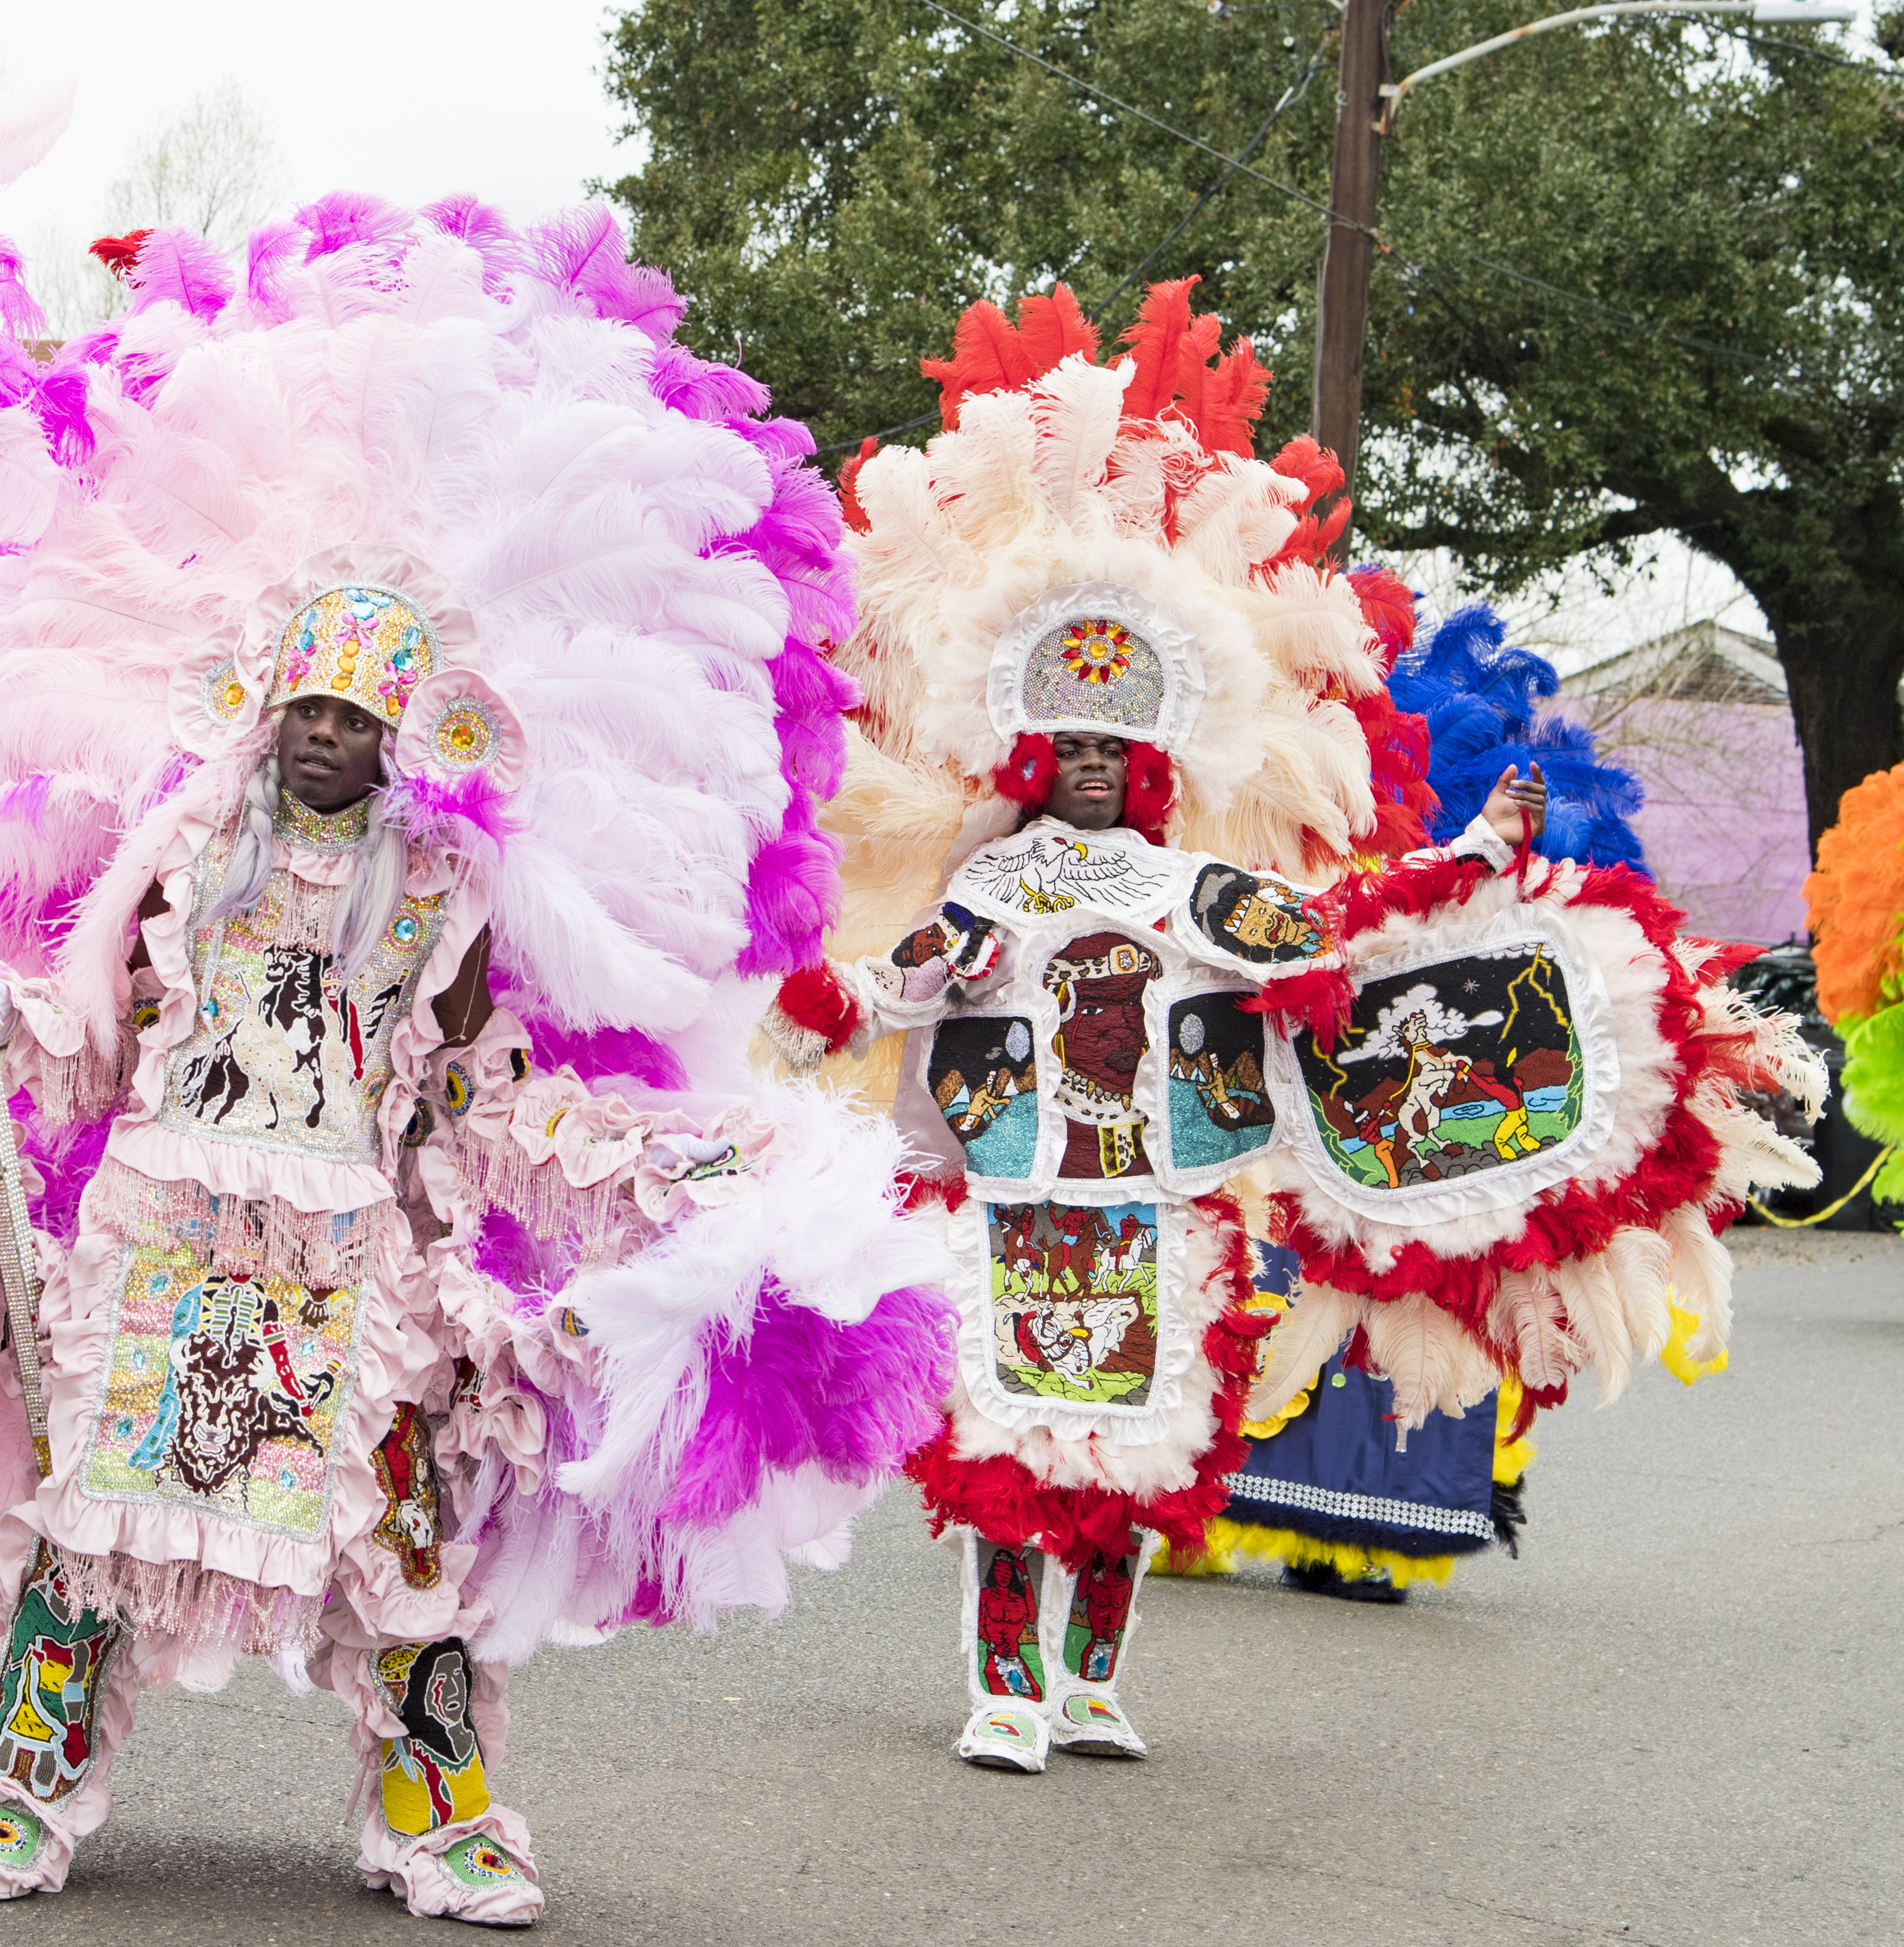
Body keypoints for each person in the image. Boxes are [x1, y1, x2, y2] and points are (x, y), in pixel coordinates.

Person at [0, 206, 953, 1924]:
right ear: (262, 713)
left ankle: (444, 1808)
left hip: (356, 1257)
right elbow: (88, 1026)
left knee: (405, 1562)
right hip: (162, 1239)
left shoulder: (446, 904)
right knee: (84, 1530)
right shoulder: (173, 860)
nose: (326, 731)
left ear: (402, 740)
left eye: (359, 715)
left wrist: (668, 1177)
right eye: (304, 705)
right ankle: (19, 1778)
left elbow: (480, 1103)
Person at [764, 278, 1812, 1772]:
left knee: (1127, 1465)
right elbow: (922, 968)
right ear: (1025, 755)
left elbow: (1328, 936)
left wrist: (1463, 856)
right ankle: (1001, 1686)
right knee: (1007, 1453)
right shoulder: (999, 883)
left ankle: (1086, 1681)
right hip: (1017, 1201)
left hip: (1154, 1202)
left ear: (1143, 770)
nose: (1077, 773)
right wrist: (827, 1001)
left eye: (1103, 754)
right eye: (1057, 750)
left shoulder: (1189, 887)